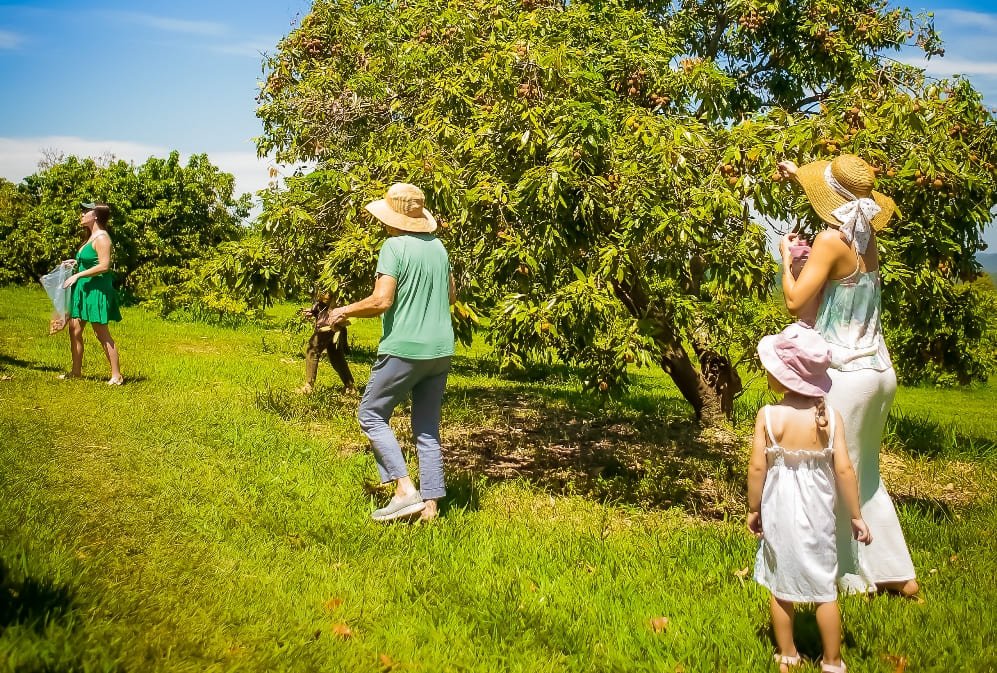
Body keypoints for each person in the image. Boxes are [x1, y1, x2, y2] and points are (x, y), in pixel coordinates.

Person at [776, 154, 918, 597]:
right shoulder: (865, 233)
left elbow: (797, 303)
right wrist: (799, 173)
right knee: (865, 473)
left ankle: (847, 576)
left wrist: (786, 260)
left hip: (844, 375)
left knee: (833, 473)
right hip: (879, 369)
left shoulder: (829, 240)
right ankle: (896, 572)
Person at [319, 183, 456, 523]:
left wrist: (342, 312)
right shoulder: (439, 248)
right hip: (440, 349)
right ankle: (430, 507)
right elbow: (451, 297)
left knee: (370, 414)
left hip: (404, 349)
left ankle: (404, 490)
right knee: (427, 428)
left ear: (392, 217)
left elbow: (382, 301)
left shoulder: (393, 247)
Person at [748, 323, 872, 673]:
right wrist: (856, 515)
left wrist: (753, 508)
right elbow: (845, 471)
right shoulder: (830, 419)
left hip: (779, 512)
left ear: (782, 377)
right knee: (825, 587)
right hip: (819, 514)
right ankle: (833, 660)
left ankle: (787, 653)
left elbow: (757, 469)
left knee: (779, 583)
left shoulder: (769, 417)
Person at [60, 202, 123, 384]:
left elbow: (104, 266)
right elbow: (91, 261)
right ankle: (76, 372)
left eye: (86, 211)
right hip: (84, 289)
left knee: (101, 332)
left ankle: (116, 375)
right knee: (75, 330)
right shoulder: (91, 237)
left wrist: (78, 274)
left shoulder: (102, 238)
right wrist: (75, 263)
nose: (82, 214)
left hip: (96, 290)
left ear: (95, 215)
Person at [299, 288, 356, 394]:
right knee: (336, 356)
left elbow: (329, 300)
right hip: (332, 324)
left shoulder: (331, 284)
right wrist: (313, 311)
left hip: (330, 324)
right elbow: (321, 306)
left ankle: (308, 386)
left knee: (313, 348)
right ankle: (349, 386)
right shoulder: (321, 282)